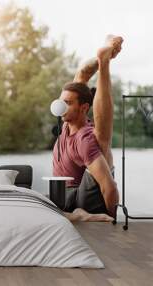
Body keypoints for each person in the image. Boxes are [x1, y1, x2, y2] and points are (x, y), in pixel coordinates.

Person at [53, 35, 124, 221]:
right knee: (80, 78)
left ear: (84, 108)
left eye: (67, 103)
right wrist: (107, 50)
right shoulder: (67, 124)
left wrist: (112, 220)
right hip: (64, 198)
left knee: (102, 141)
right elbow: (83, 73)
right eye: (61, 101)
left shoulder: (85, 138)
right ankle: (104, 59)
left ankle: (104, 63)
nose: (61, 105)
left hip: (82, 200)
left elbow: (110, 188)